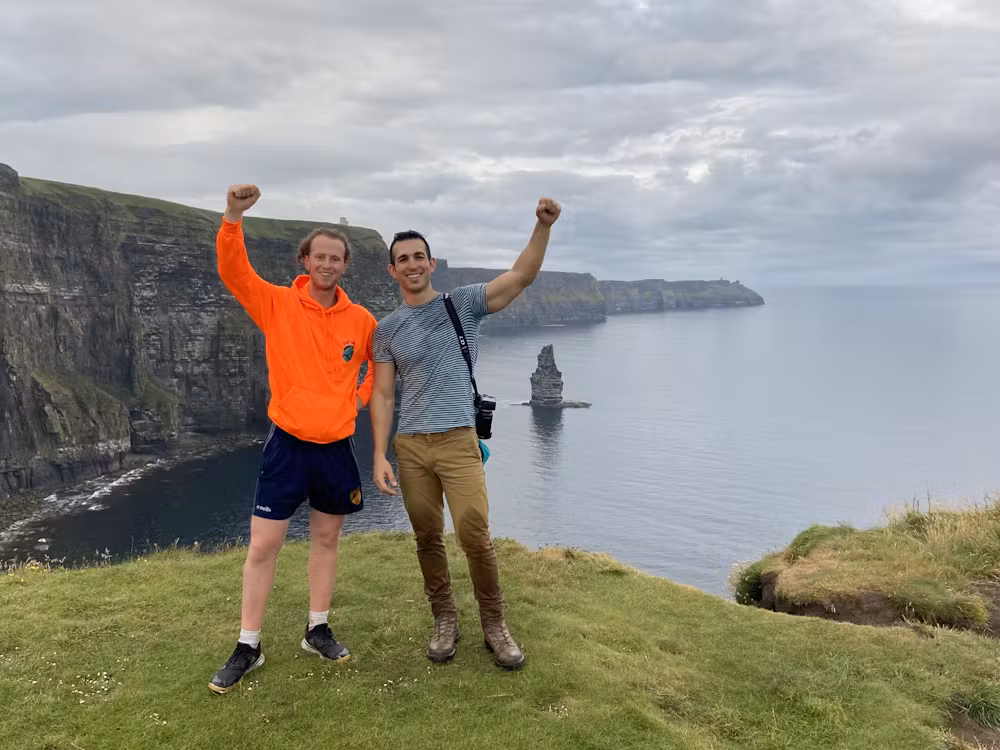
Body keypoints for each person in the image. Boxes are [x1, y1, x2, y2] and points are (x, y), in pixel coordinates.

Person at [370, 197, 562, 670]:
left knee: (475, 534)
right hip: (411, 447)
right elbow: (383, 396)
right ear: (392, 271)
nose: (412, 265)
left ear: (431, 263)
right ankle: (445, 620)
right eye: (402, 260)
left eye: (419, 257)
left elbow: (520, 277)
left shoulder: (464, 304)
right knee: (427, 537)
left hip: (458, 440)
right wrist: (379, 455)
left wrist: (542, 226)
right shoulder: (386, 330)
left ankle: (495, 625)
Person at [208, 184, 376, 694]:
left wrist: (356, 401)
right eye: (319, 256)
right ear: (305, 260)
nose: (327, 264)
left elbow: (375, 368)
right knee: (265, 546)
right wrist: (233, 217)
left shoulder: (361, 319)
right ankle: (248, 644)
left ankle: (317, 628)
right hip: (287, 445)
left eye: (336, 258)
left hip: (336, 449)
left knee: (326, 540)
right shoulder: (277, 303)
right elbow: (235, 273)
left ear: (345, 265)